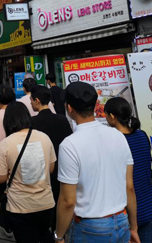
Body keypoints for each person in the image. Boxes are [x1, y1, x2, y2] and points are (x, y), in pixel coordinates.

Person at [54, 82, 139, 243]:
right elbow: (129, 186)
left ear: (69, 108)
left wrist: (58, 236)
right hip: (121, 221)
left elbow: (67, 201)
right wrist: (133, 227)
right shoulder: (118, 135)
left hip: (90, 227)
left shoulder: (69, 145)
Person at [0, 102, 56, 243]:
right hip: (46, 203)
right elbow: (51, 169)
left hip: (20, 207)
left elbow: (1, 178)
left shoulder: (6, 144)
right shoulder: (44, 137)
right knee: (44, 236)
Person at [106, 97, 152, 243]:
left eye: (106, 115)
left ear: (112, 116)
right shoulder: (142, 135)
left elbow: (128, 185)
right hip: (147, 204)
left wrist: (133, 223)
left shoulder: (115, 142)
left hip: (126, 211)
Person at [30, 84, 72, 227]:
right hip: (62, 166)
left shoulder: (32, 122)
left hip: (41, 170)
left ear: (36, 100)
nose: (30, 103)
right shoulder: (62, 119)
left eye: (31, 100)